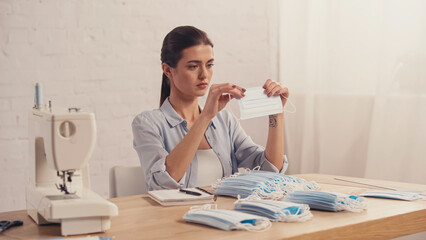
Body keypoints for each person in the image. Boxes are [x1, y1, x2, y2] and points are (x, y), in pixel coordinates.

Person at [132, 26, 289, 191]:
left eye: (209, 65)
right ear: (167, 70)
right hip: (174, 216)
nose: (204, 75)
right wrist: (206, 116)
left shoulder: (224, 120)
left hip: (224, 215)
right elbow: (163, 182)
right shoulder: (147, 124)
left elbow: (270, 171)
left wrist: (276, 114)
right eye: (193, 66)